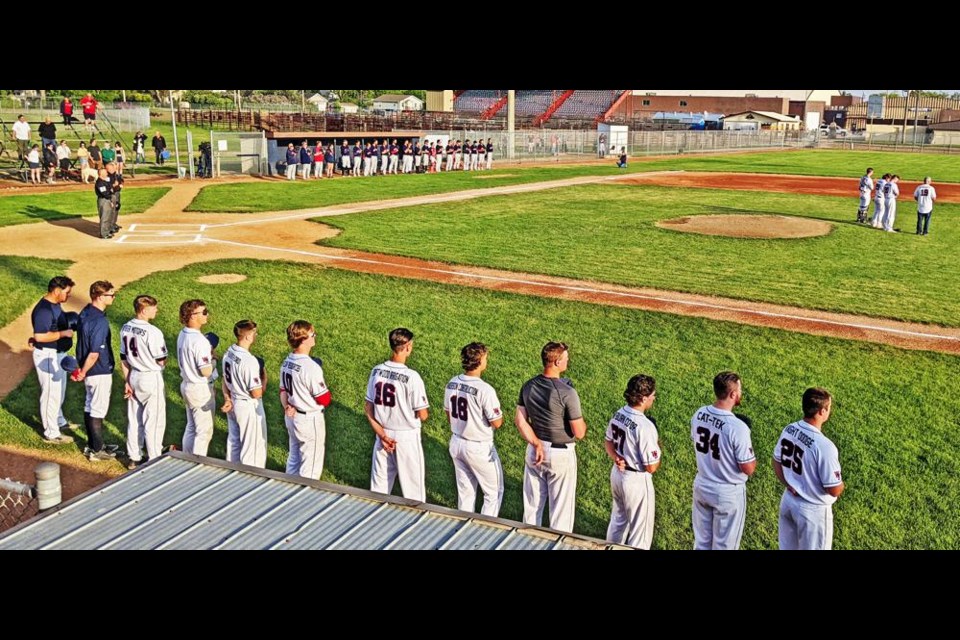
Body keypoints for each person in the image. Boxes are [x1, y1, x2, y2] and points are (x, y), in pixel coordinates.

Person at [514, 341, 587, 533]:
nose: (568, 362)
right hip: (560, 456)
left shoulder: (528, 385)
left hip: (534, 451)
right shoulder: (567, 393)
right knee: (560, 515)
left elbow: (520, 421)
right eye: (565, 359)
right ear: (556, 362)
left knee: (531, 510)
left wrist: (536, 443)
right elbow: (579, 433)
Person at [690, 371, 756, 550]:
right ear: (733, 394)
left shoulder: (699, 414)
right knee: (725, 546)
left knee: (702, 543)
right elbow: (748, 468)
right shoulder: (738, 427)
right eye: (740, 389)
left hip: (702, 485)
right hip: (727, 493)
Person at [772, 387, 844, 550]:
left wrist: (789, 484)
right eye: (829, 408)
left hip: (789, 502)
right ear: (821, 411)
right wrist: (841, 486)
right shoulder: (824, 446)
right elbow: (834, 489)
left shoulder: (789, 429)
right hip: (813, 512)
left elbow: (776, 461)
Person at [365, 327, 430, 502]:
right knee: (413, 493)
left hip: (383, 436)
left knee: (378, 491)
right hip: (407, 437)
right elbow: (423, 414)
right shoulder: (412, 376)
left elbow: (368, 408)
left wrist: (382, 435)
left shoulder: (376, 371)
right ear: (408, 346)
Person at [445, 342, 504, 517]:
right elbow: (497, 422)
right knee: (493, 493)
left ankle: (462, 531)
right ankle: (483, 533)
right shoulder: (485, 389)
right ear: (479, 361)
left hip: (456, 442)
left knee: (465, 494)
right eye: (485, 357)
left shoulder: (452, 383)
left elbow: (449, 415)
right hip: (479, 448)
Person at [605, 374, 661, 550]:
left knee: (618, 521)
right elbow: (651, 467)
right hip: (636, 481)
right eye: (652, 395)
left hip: (618, 474)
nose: (654, 398)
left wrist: (616, 458)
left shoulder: (619, 414)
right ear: (644, 398)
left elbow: (608, 441)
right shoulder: (645, 426)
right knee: (640, 533)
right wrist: (658, 448)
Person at [120, 295, 168, 469]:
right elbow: (161, 360)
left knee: (135, 418)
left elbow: (123, 358)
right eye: (154, 308)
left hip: (133, 376)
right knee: (153, 420)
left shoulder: (125, 327)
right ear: (144, 310)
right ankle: (154, 458)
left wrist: (127, 381)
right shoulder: (153, 332)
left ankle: (134, 457)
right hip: (150, 378)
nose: (156, 310)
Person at [279, 320, 331, 479]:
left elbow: (282, 390)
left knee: (294, 459)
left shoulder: (287, 361)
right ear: (303, 340)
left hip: (292, 415)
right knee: (311, 467)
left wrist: (286, 406)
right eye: (312, 334)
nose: (315, 336)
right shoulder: (311, 367)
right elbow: (324, 399)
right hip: (309, 420)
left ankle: (288, 492)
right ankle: (304, 501)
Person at [74, 281, 118, 462]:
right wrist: (83, 371)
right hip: (97, 370)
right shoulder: (100, 321)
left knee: (89, 406)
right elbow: (94, 353)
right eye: (111, 295)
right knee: (98, 410)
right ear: (100, 297)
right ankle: (97, 450)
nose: (113, 298)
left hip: (90, 370)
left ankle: (94, 444)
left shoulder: (85, 311)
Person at [30, 275, 77, 444]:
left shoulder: (55, 305)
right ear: (57, 291)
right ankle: (51, 433)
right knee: (51, 394)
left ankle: (58, 420)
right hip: (48, 357)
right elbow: (40, 336)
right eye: (67, 292)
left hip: (58, 354)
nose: (69, 295)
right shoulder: (44, 310)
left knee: (59, 391)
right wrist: (63, 334)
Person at [221, 320, 268, 468]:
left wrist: (227, 398)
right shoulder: (249, 361)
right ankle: (250, 485)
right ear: (248, 336)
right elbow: (256, 393)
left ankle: (231, 478)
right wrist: (264, 379)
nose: (256, 335)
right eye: (254, 332)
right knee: (252, 450)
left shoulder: (229, 351)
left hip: (233, 402)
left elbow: (224, 379)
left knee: (234, 443)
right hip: (247, 407)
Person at [177, 299, 218, 456]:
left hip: (187, 385)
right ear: (193, 316)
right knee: (203, 432)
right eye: (204, 312)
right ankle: (197, 466)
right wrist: (213, 361)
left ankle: (187, 459)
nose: (207, 315)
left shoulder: (183, 333)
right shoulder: (200, 341)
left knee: (191, 426)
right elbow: (206, 371)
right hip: (199, 389)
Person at [94, 168, 114, 239]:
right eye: (105, 172)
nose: (107, 174)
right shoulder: (99, 182)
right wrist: (110, 194)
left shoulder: (104, 181)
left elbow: (111, 189)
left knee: (108, 216)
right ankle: (103, 234)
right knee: (104, 217)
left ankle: (107, 231)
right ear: (101, 174)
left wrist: (110, 196)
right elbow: (105, 193)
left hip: (107, 199)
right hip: (103, 200)